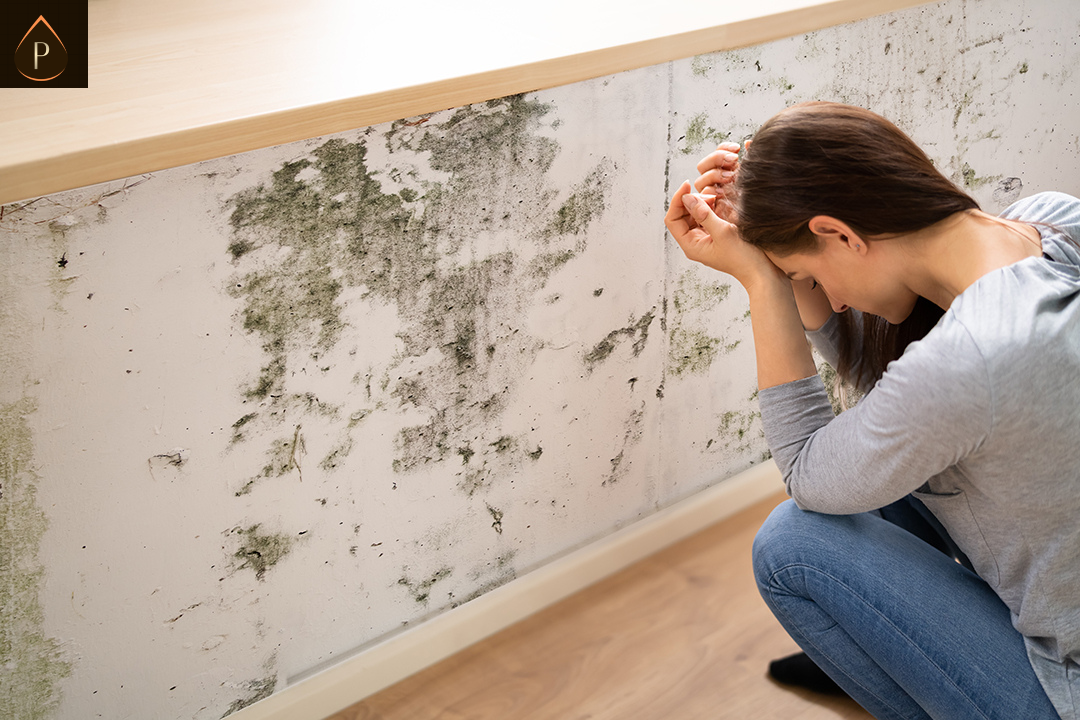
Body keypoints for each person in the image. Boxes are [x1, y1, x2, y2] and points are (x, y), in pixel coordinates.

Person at [663, 101, 1080, 720]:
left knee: (792, 545)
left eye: (808, 271)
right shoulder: (1052, 221)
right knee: (882, 480)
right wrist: (777, 235)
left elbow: (809, 472)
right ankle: (897, 654)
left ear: (840, 233)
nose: (826, 297)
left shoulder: (973, 357)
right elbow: (904, 390)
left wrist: (763, 284)